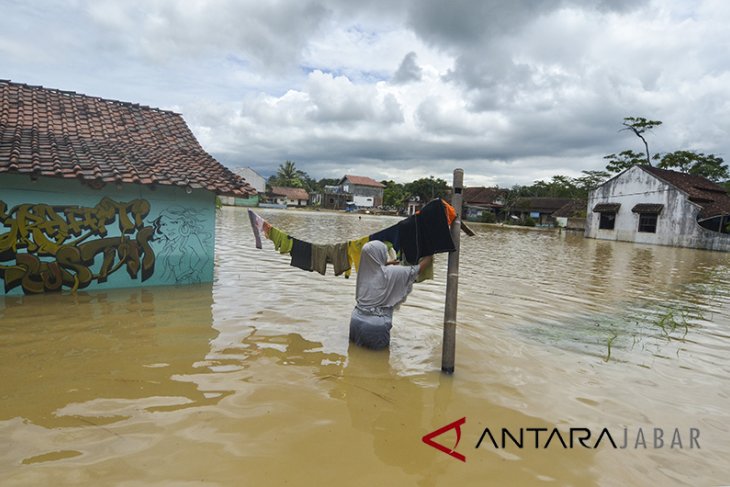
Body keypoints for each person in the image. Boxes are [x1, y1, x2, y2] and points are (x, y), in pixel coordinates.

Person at [349, 240, 433, 350]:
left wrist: (389, 263)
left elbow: (375, 264)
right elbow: (417, 269)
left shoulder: (364, 271)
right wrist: (430, 253)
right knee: (379, 361)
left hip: (355, 321)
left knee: (355, 357)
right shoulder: (392, 272)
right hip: (375, 325)